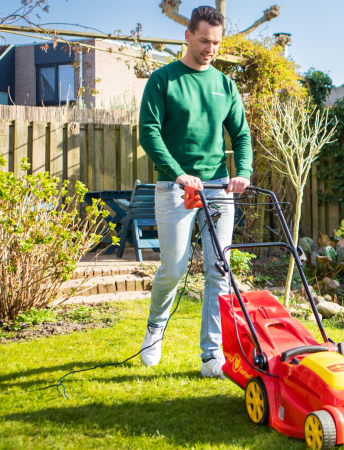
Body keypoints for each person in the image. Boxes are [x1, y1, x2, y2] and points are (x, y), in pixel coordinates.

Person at [137, 5, 252, 378]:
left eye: (216, 43)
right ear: (187, 36)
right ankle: (155, 327)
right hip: (175, 187)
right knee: (174, 266)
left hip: (217, 186)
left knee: (220, 269)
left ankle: (211, 354)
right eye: (204, 41)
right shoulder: (164, 79)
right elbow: (148, 132)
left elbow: (241, 135)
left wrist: (243, 172)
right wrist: (178, 173)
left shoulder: (225, 85)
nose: (210, 49)